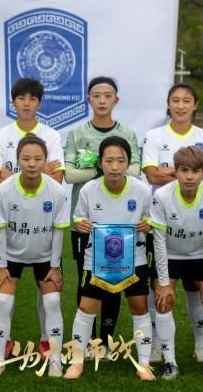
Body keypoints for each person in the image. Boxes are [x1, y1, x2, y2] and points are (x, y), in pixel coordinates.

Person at [64, 136, 155, 381]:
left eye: (120, 161)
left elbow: (152, 219)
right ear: (100, 163)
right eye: (109, 160)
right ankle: (76, 362)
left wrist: (148, 224)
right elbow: (78, 217)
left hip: (133, 259)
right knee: (86, 308)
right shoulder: (89, 189)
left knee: (139, 307)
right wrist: (80, 224)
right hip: (97, 260)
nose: (115, 167)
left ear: (128, 163)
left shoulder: (141, 190)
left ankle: (144, 364)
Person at [141, 83, 203, 363]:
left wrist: (170, 171)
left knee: (196, 288)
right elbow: (151, 175)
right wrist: (190, 173)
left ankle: (201, 345)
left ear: (195, 105)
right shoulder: (154, 135)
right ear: (168, 104)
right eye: (175, 100)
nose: (181, 105)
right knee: (158, 286)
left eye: (187, 100)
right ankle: (157, 345)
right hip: (162, 216)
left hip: (198, 220)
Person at [64, 76, 141, 354]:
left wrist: (99, 166)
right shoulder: (77, 133)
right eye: (96, 95)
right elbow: (69, 174)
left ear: (116, 100)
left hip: (120, 223)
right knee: (87, 281)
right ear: (89, 99)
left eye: (108, 95)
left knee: (114, 281)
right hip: (85, 222)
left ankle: (106, 340)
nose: (102, 100)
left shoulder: (128, 134)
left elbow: (135, 171)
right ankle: (87, 340)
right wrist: (102, 167)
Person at [0, 77, 65, 356]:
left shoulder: (51, 135)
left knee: (50, 296)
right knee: (4, 297)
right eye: (21, 98)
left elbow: (57, 180)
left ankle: (47, 340)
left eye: (32, 99)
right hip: (12, 227)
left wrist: (16, 175)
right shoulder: (1, 136)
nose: (26, 103)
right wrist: (33, 174)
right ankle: (4, 343)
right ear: (13, 102)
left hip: (43, 228)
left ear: (39, 103)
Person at [148, 146, 203, 381]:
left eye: (195, 171)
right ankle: (170, 362)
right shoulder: (162, 196)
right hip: (171, 254)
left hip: (202, 254)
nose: (189, 177)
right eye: (184, 170)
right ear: (176, 171)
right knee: (163, 300)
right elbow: (159, 242)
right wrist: (164, 284)